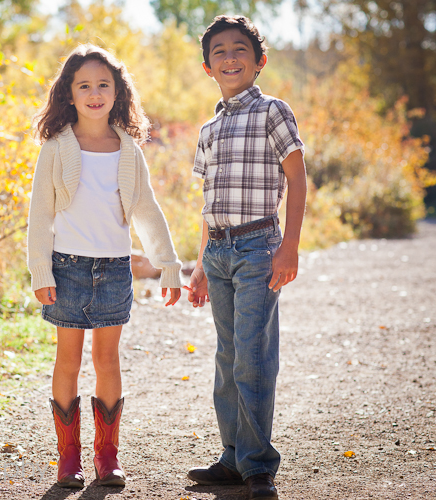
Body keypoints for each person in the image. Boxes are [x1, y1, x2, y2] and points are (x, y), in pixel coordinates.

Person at [27, 44, 183, 489]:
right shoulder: (57, 148)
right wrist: (41, 271)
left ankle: (107, 456)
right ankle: (68, 458)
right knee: (68, 360)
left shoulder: (129, 150)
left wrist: (168, 265)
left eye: (103, 85)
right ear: (69, 95)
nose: (94, 93)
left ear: (118, 92)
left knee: (108, 357)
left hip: (114, 269)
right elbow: (39, 215)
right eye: (84, 86)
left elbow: (148, 212)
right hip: (67, 268)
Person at [184, 15, 307, 500]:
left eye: (240, 50)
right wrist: (198, 264)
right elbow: (207, 202)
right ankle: (232, 457)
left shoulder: (273, 111)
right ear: (207, 66)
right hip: (217, 250)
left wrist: (289, 245)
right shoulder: (208, 127)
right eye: (219, 52)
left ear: (259, 62)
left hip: (260, 247)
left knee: (252, 359)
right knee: (227, 356)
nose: (229, 57)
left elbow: (296, 179)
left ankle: (259, 467)